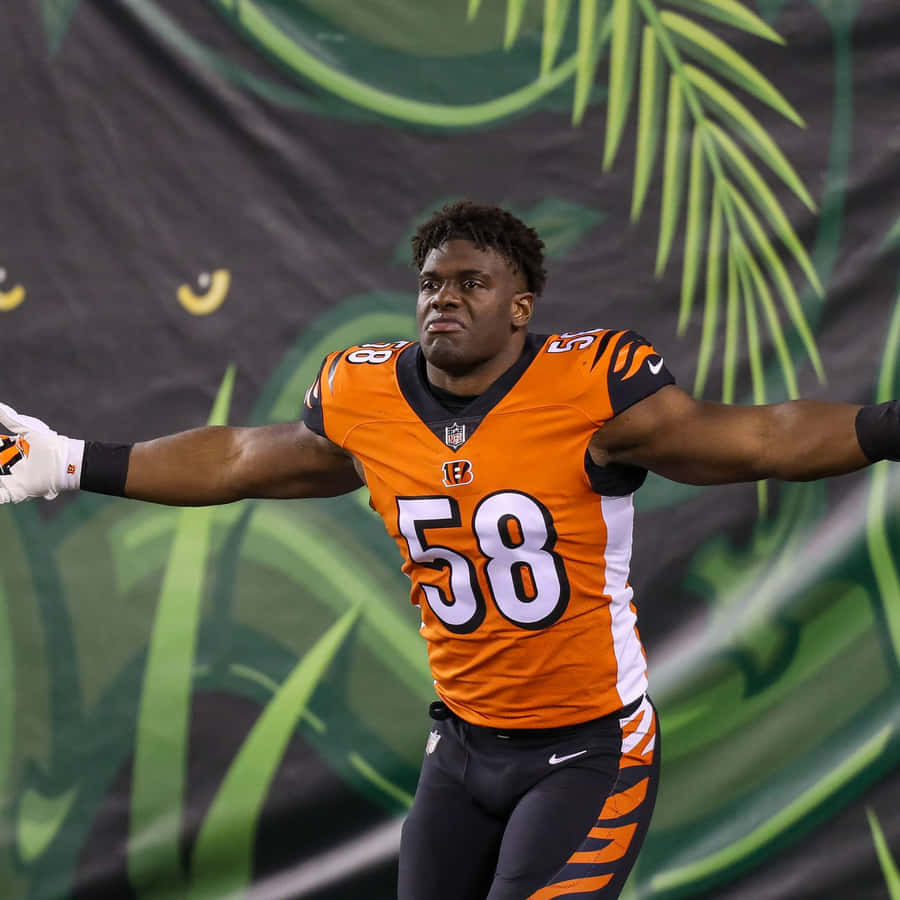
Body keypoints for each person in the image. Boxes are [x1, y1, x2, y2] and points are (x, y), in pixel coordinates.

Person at [0, 201, 895, 899]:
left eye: (471, 283)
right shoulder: (366, 394)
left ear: (521, 306)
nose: (444, 298)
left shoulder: (587, 388)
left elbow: (759, 439)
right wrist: (69, 462)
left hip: (589, 751)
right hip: (463, 750)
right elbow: (241, 457)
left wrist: (888, 427)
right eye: (432, 282)